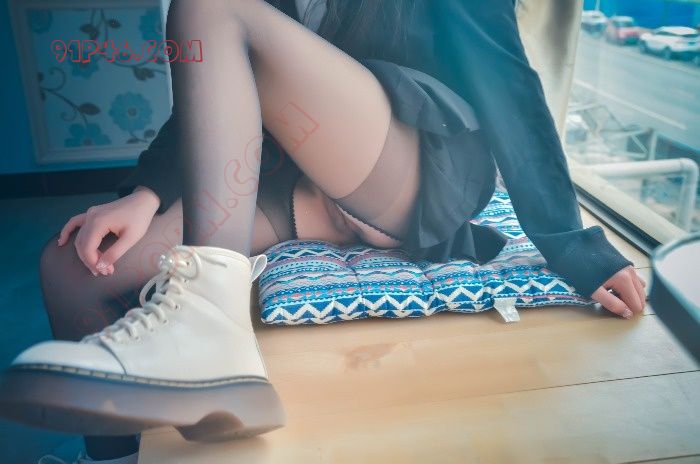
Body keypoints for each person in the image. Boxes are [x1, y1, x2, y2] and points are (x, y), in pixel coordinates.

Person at [2, 1, 646, 463]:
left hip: (415, 168)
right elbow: (216, 86)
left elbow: (508, 82)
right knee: (70, 269)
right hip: (296, 179)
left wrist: (572, 243)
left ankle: (209, 333)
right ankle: (118, 454)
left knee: (210, 5)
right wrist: (147, 193)